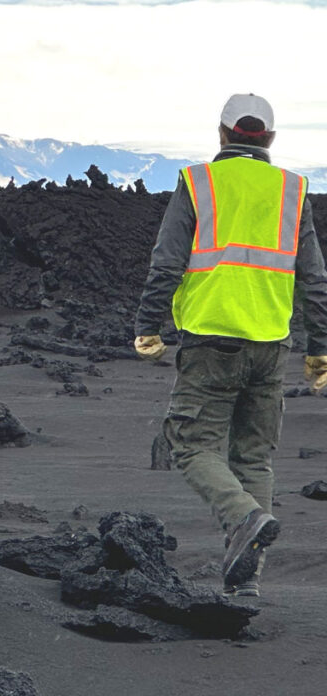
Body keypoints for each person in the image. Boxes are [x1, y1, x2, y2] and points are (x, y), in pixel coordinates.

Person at [134, 93, 327, 598]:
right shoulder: (292, 189)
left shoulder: (199, 182)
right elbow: (316, 279)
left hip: (210, 341)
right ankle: (246, 586)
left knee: (192, 444)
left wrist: (147, 325)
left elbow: (166, 260)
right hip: (270, 346)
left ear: (222, 133)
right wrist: (320, 349)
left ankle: (243, 517)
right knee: (254, 459)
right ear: (270, 139)